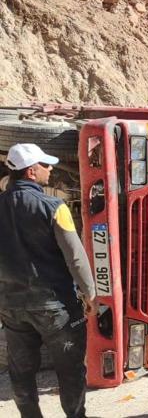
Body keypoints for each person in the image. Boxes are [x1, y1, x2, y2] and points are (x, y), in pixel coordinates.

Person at [0, 143, 98, 418]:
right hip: (55, 306)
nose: (51, 168)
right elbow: (75, 257)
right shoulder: (54, 206)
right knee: (70, 370)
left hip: (11, 307)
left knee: (20, 371)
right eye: (45, 165)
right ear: (32, 172)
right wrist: (90, 294)